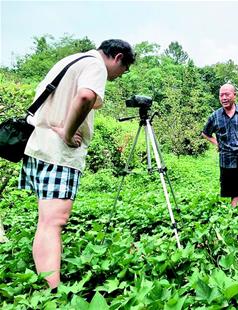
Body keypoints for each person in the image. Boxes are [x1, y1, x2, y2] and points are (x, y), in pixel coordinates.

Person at [18, 39, 136, 290]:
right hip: (58, 154)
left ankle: (47, 282)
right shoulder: (96, 66)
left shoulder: (70, 60)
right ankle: (53, 293)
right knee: (54, 222)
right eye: (123, 70)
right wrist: (68, 132)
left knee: (46, 222)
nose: (118, 76)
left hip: (39, 146)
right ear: (117, 57)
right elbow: (85, 96)